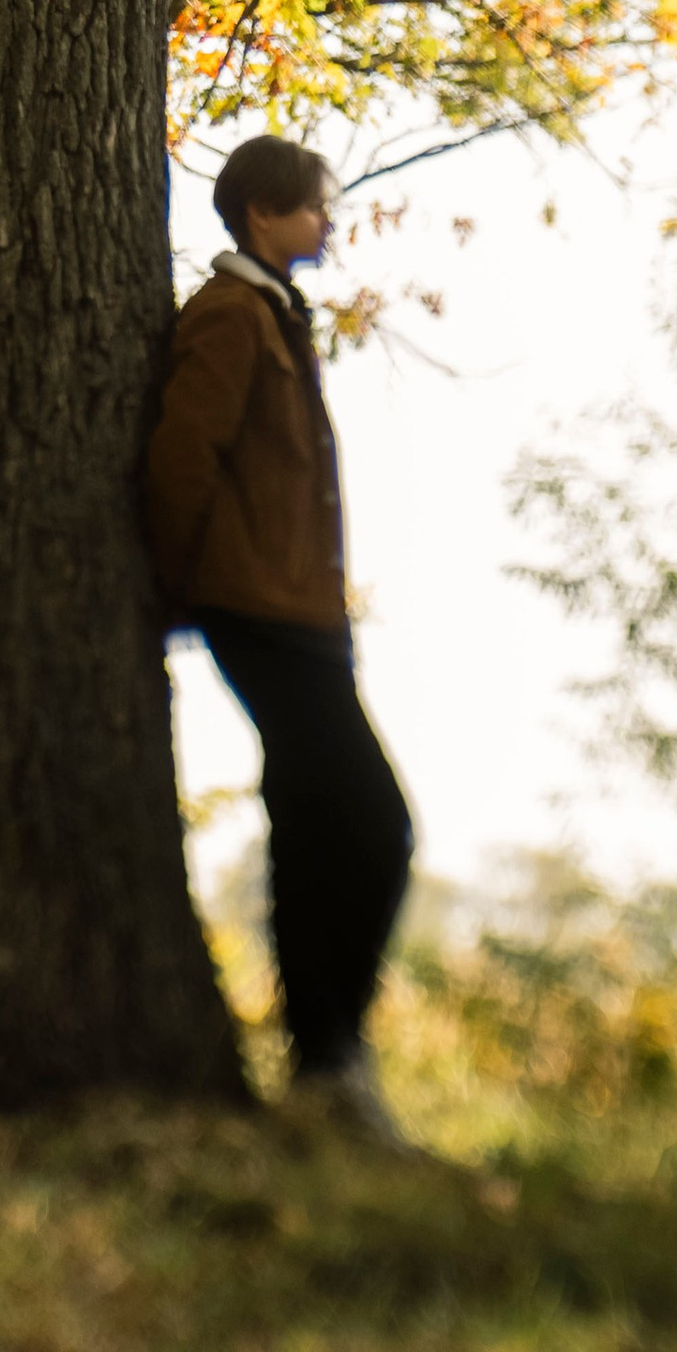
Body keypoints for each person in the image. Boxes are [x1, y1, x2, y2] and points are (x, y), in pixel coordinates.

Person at [145, 132, 414, 1138]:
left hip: (300, 611)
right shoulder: (228, 313)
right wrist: (178, 591)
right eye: (315, 205)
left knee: (316, 826)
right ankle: (331, 1049)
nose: (330, 221)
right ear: (263, 212)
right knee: (375, 826)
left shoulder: (270, 311)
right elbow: (183, 456)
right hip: (260, 610)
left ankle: (322, 1062)